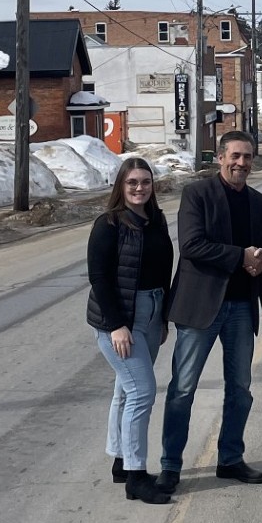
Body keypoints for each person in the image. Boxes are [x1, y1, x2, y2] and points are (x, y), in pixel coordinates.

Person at [156, 131, 262, 494]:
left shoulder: (259, 203)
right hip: (200, 307)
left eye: (248, 157)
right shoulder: (197, 194)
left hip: (242, 307)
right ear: (221, 157)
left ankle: (230, 458)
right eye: (236, 156)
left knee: (240, 388)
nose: (242, 163)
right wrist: (239, 256)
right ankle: (170, 466)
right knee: (182, 389)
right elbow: (192, 246)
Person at [87, 157, 173, 505]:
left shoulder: (157, 220)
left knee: (126, 390)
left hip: (152, 313)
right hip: (122, 318)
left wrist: (163, 316)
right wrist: (116, 325)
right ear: (121, 186)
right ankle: (137, 477)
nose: (140, 188)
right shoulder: (108, 224)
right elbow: (100, 277)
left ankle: (121, 461)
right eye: (132, 182)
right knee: (142, 392)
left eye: (146, 182)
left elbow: (163, 269)